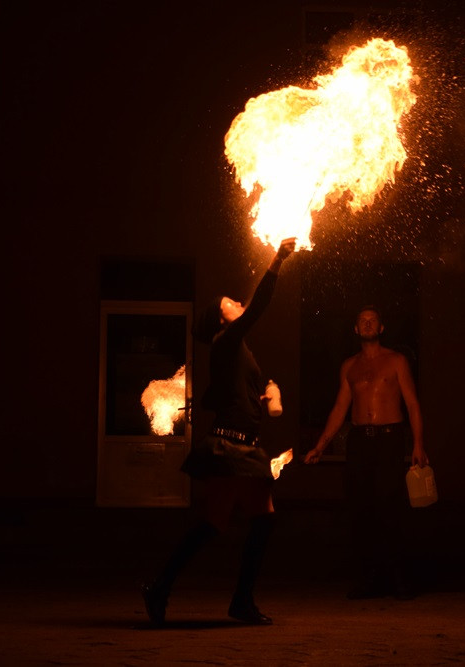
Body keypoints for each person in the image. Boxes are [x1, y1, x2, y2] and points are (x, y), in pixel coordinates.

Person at [141, 238, 296, 627]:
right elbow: (259, 304)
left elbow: (226, 397)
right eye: (229, 302)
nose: (237, 302)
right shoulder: (226, 343)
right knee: (225, 523)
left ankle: (228, 598)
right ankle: (169, 589)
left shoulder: (238, 350)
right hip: (229, 449)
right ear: (221, 319)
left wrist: (265, 398)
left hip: (245, 447)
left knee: (247, 522)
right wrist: (277, 260)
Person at [302, 305, 429, 599]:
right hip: (359, 441)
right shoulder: (349, 366)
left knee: (389, 507)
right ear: (356, 330)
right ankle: (368, 578)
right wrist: (320, 446)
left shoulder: (396, 361)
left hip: (390, 438)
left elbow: (412, 404)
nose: (368, 323)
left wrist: (418, 444)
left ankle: (397, 577)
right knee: (361, 510)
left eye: (373, 320)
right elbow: (339, 408)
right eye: (362, 320)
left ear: (381, 328)